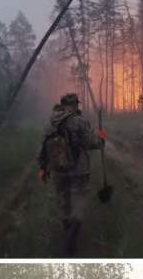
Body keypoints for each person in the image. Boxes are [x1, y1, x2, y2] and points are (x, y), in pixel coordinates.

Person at [35, 92, 106, 255]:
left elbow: (42, 148)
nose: (77, 106)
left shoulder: (50, 123)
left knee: (63, 200)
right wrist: (101, 139)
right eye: (76, 104)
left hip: (58, 170)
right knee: (80, 199)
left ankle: (67, 230)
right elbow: (91, 143)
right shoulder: (78, 121)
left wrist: (43, 168)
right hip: (79, 169)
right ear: (74, 104)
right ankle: (73, 231)